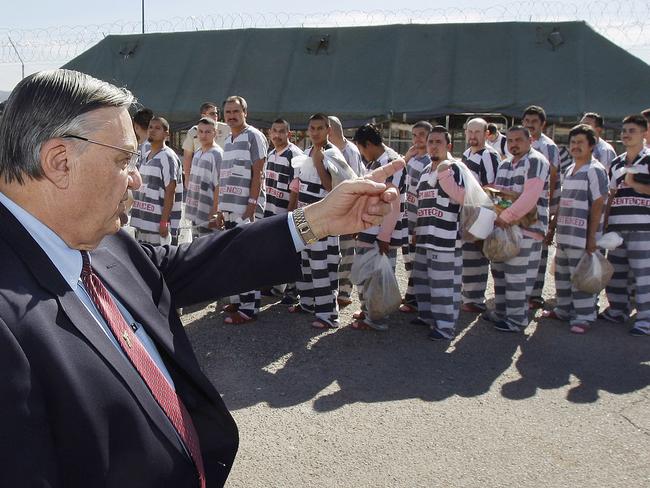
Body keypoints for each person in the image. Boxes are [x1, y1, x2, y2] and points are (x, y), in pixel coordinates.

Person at [0, 68, 401, 487]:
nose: (136, 177)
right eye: (123, 160)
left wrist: (316, 220)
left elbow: (198, 261)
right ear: (60, 162)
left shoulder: (100, 240)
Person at [542, 125, 609, 334]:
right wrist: (553, 228)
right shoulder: (570, 169)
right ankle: (563, 310)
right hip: (565, 235)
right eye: (572, 142)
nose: (575, 146)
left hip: (583, 238)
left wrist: (592, 238)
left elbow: (599, 203)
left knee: (582, 278)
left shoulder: (595, 170)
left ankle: (584, 316)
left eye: (580, 142)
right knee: (562, 276)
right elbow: (563, 202)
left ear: (591, 145)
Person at [483, 126, 550, 333]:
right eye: (510, 140)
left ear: (530, 140)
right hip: (504, 228)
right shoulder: (504, 164)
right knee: (501, 273)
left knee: (517, 277)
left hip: (527, 229)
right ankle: (502, 313)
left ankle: (516, 319)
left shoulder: (536, 161)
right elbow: (498, 196)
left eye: (519, 140)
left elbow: (530, 196)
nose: (513, 144)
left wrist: (507, 216)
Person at [289, 114, 344, 329]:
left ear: (328, 130)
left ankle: (328, 314)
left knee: (323, 265)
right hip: (304, 215)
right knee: (305, 261)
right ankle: (307, 302)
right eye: (312, 128)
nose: (315, 132)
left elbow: (333, 187)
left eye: (320, 128)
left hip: (324, 218)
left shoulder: (332, 153)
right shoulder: (306, 152)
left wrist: (320, 163)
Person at [351, 124, 407, 331]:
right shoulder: (375, 163)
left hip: (381, 232)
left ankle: (377, 319)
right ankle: (368, 310)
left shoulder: (393, 164)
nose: (362, 154)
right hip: (367, 229)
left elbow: (393, 202)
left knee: (379, 276)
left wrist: (385, 236)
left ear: (368, 144)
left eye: (362, 149)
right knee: (365, 272)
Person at [218, 95, 268, 325]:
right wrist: (221, 207)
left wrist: (251, 204)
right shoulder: (228, 139)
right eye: (227, 112)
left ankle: (249, 309)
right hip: (230, 208)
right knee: (233, 255)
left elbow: (258, 173)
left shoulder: (254, 136)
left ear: (245, 112)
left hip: (246, 209)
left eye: (235, 111)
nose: (231, 116)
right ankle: (238, 300)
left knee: (247, 256)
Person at [413, 126, 466, 341]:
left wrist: (444, 173)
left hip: (446, 239)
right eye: (431, 142)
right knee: (424, 280)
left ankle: (445, 327)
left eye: (438, 142)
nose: (433, 146)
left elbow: (464, 197)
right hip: (425, 236)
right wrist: (416, 230)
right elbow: (420, 203)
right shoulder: (426, 171)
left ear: (449, 146)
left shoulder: (454, 168)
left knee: (443, 285)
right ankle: (427, 317)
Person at [601, 114, 650, 336]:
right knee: (617, 273)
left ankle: (645, 321)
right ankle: (617, 311)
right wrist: (606, 222)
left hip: (644, 229)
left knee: (644, 277)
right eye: (624, 131)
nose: (626, 135)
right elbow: (611, 194)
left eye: (632, 131)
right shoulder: (617, 161)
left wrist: (637, 185)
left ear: (644, 134)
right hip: (618, 227)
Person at [460, 118, 500, 314]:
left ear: (487, 134)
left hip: (481, 212)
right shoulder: (466, 154)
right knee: (465, 255)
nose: (473, 136)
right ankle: (467, 295)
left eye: (478, 132)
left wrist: (484, 217)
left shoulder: (489, 155)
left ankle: (475, 299)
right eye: (470, 131)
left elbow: (492, 187)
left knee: (477, 255)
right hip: (467, 212)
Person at [263, 118, 303, 304]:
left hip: (286, 212)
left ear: (289, 134)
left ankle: (294, 290)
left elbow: (296, 188)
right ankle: (276, 285)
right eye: (274, 131)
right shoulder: (271, 154)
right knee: (274, 250)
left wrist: (290, 213)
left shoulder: (294, 155)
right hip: (271, 210)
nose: (277, 135)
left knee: (291, 251)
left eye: (281, 131)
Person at [522, 105, 558, 310]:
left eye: (534, 122)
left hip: (539, 208)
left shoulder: (548, 147)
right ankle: (519, 296)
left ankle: (534, 295)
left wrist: (552, 215)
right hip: (519, 209)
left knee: (538, 254)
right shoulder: (518, 142)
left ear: (542, 124)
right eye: (526, 121)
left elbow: (552, 180)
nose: (529, 125)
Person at [328, 115, 365, 308]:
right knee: (336, 252)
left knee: (348, 251)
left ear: (330, 131)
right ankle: (335, 289)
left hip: (349, 209)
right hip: (334, 209)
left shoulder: (350, 151)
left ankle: (344, 292)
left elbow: (356, 182)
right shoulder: (330, 150)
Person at [130, 116, 184, 245]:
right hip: (142, 223)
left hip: (158, 226)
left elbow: (171, 191)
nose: (152, 131)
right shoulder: (145, 155)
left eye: (157, 128)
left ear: (166, 133)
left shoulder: (168, 156)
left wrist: (164, 222)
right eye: (150, 127)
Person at [399, 120, 432, 314]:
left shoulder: (429, 162)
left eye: (422, 134)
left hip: (418, 220)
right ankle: (413, 295)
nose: (417, 138)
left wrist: (420, 225)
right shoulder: (411, 158)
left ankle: (415, 299)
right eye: (414, 135)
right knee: (409, 260)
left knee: (418, 260)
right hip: (406, 218)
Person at [184, 117, 224, 237]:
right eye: (201, 131)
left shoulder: (217, 154)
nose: (203, 135)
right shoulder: (197, 152)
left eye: (207, 132)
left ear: (215, 133)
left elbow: (220, 184)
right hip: (196, 210)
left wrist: (215, 210)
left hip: (208, 212)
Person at [182, 103, 231, 187]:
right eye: (212, 113)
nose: (215, 116)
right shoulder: (194, 131)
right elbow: (187, 156)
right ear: (203, 115)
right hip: (201, 174)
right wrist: (187, 177)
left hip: (222, 173)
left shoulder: (227, 128)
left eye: (216, 113)